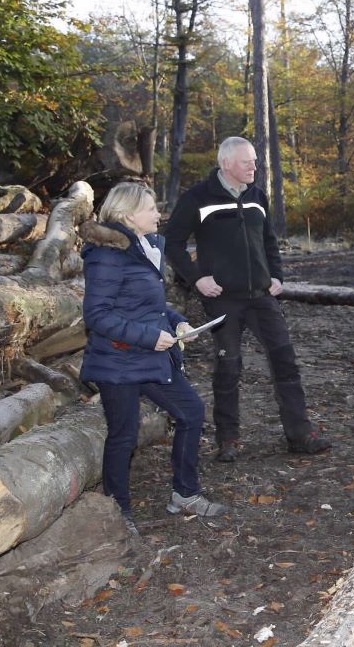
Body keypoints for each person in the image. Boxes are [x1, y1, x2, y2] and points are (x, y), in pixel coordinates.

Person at [164, 137, 330, 462]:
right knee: (228, 367)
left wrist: (277, 275)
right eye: (247, 162)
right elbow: (172, 244)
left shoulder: (257, 197)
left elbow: (269, 240)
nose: (254, 167)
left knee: (286, 362)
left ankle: (300, 434)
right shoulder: (197, 198)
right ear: (226, 163)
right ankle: (228, 439)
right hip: (223, 300)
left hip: (262, 297)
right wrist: (197, 278)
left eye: (255, 161)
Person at [81, 182, 226, 536]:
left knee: (191, 413)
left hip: (152, 357)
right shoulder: (106, 254)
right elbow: (97, 315)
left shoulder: (147, 247)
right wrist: (149, 337)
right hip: (118, 361)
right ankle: (118, 510)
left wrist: (178, 322)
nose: (158, 214)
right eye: (150, 209)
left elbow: (150, 305)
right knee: (123, 435)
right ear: (128, 214)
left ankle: (185, 494)